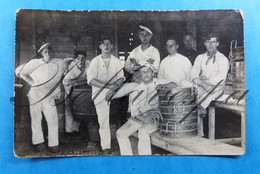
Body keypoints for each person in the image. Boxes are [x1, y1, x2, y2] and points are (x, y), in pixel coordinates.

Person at [15, 43, 67, 152]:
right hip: (35, 94)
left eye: (49, 51)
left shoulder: (59, 62)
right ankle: (39, 142)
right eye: (45, 52)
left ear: (52, 52)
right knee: (36, 119)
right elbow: (19, 71)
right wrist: (31, 81)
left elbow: (67, 68)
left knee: (52, 119)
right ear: (42, 54)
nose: (48, 53)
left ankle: (53, 144)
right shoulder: (35, 63)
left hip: (49, 96)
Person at [87, 36, 125, 155]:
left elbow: (121, 78)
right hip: (100, 92)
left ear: (112, 46)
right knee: (103, 120)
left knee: (133, 88)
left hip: (114, 89)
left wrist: (115, 86)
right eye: (104, 44)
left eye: (109, 44)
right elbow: (91, 80)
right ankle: (106, 146)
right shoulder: (95, 61)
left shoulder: (116, 61)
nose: (106, 46)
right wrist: (108, 86)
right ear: (100, 47)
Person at [115, 65, 161, 155]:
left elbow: (174, 85)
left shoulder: (159, 84)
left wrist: (164, 86)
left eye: (148, 71)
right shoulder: (137, 89)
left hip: (154, 117)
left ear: (153, 73)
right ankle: (128, 160)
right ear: (140, 74)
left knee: (142, 132)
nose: (146, 74)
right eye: (143, 72)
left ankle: (144, 163)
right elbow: (134, 112)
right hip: (140, 117)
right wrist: (142, 118)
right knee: (120, 133)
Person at [190, 33, 229, 136]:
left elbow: (221, 79)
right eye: (208, 42)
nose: (210, 45)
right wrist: (201, 83)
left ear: (217, 44)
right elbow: (193, 73)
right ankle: (199, 134)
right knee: (184, 83)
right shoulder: (200, 57)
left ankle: (201, 106)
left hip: (214, 88)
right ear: (204, 43)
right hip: (201, 86)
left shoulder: (222, 59)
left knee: (217, 89)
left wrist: (207, 80)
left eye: (213, 42)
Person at [63, 51, 90, 138]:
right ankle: (69, 132)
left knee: (80, 110)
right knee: (69, 111)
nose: (81, 61)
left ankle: (77, 130)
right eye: (78, 58)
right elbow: (67, 82)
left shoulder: (88, 64)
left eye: (83, 59)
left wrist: (77, 82)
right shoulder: (71, 68)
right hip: (69, 92)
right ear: (75, 59)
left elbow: (89, 78)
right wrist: (82, 81)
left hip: (81, 92)